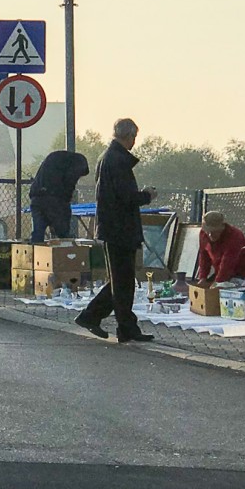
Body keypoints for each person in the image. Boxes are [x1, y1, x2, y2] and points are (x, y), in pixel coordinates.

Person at [75, 118, 156, 343]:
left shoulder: (107, 158)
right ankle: (95, 317)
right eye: (134, 137)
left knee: (122, 281)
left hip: (112, 227)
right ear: (128, 136)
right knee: (123, 281)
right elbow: (126, 197)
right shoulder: (118, 160)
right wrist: (147, 195)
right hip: (120, 228)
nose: (134, 142)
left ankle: (119, 324)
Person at [28, 149, 90, 241]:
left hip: (37, 197)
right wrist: (67, 197)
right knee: (63, 236)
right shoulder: (77, 163)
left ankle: (35, 248)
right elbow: (69, 182)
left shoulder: (57, 158)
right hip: (55, 199)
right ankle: (64, 246)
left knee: (37, 234)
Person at [194, 210, 245, 284]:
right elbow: (204, 257)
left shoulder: (234, 235)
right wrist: (203, 277)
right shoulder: (203, 234)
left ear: (222, 227)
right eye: (208, 231)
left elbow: (228, 263)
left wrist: (218, 283)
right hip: (221, 270)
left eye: (214, 231)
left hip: (242, 272)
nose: (210, 235)